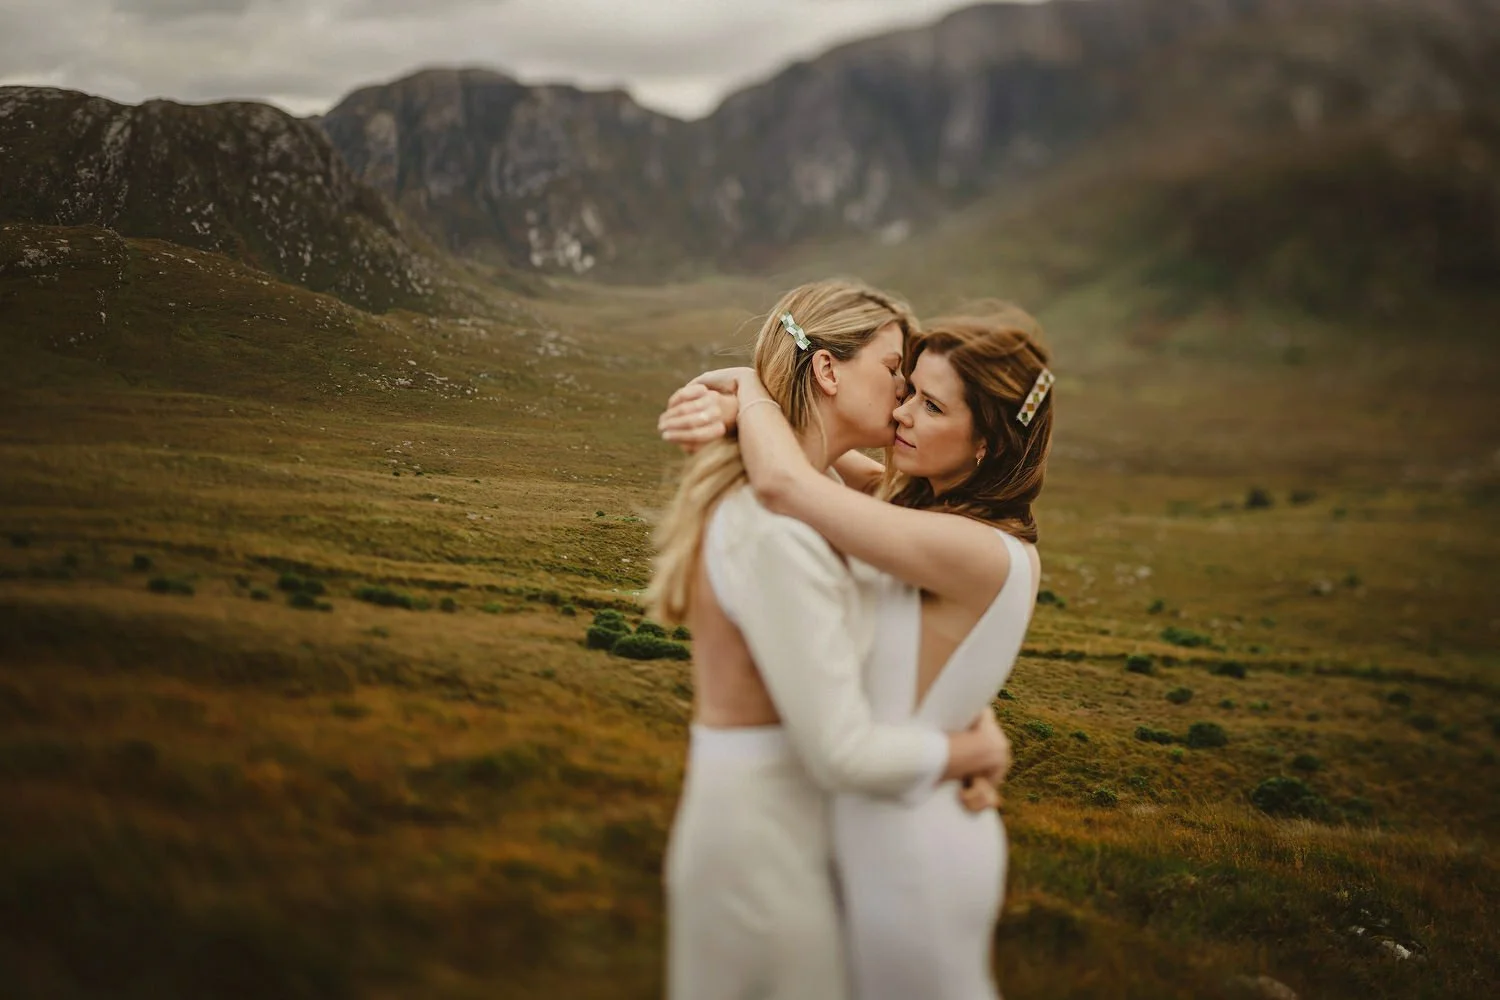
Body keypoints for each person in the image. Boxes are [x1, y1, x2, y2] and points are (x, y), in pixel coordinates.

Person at [660, 302, 1053, 999]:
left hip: (916, 841)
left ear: (986, 444)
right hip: (875, 825)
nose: (902, 411)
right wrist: (743, 401)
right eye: (907, 388)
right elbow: (818, 445)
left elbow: (788, 481)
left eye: (931, 405)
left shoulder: (976, 548)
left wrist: (747, 389)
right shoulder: (920, 509)